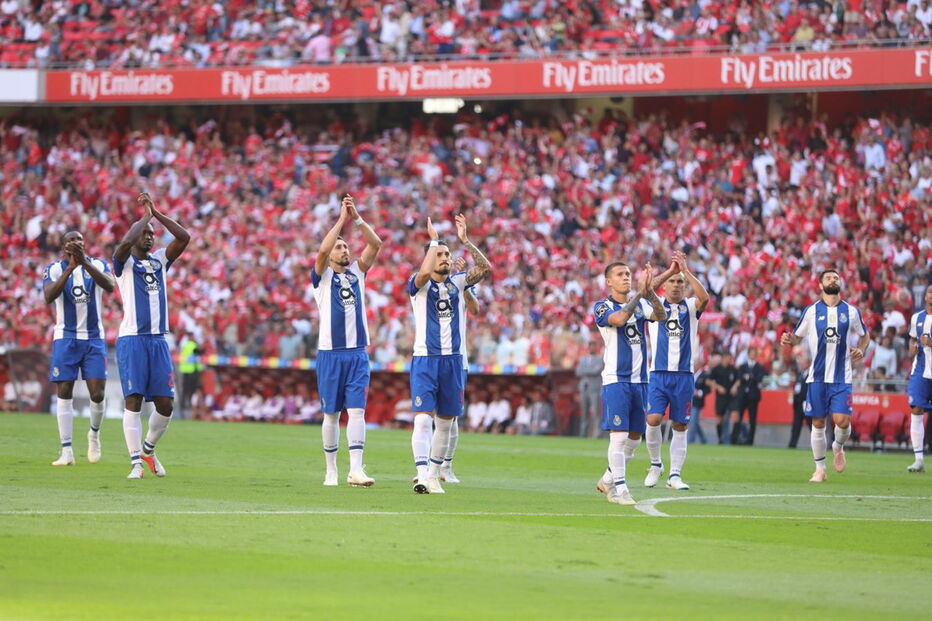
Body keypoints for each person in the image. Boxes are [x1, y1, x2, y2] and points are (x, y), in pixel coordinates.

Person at [409, 214, 491, 494]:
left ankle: (434, 474)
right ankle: (421, 474)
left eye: (447, 254)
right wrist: (434, 242)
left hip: (454, 362)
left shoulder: (458, 283)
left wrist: (465, 241)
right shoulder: (418, 286)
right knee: (422, 418)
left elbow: (485, 268)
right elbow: (421, 274)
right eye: (439, 254)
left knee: (445, 422)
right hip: (425, 359)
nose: (444, 258)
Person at [113, 192, 190, 479]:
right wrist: (143, 218)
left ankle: (148, 449)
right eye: (144, 233)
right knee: (133, 399)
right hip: (132, 339)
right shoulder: (123, 264)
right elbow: (123, 244)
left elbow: (184, 238)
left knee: (166, 404)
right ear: (134, 237)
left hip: (158, 341)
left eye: (152, 234)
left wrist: (155, 214)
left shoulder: (159, 261)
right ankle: (135, 462)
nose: (149, 236)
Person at [311, 194, 382, 487]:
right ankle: (331, 470)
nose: (345, 250)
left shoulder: (357, 273)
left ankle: (355, 470)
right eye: (340, 247)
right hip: (330, 353)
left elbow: (376, 244)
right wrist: (340, 220)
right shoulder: (322, 277)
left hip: (357, 354)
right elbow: (322, 249)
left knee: (357, 411)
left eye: (346, 246)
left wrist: (357, 219)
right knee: (331, 415)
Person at [781, 269, 870, 482]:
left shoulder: (851, 311)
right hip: (817, 377)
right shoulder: (811, 311)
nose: (833, 279)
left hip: (842, 376)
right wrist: (788, 338)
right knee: (818, 423)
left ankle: (838, 447)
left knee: (842, 420)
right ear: (820, 285)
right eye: (829, 277)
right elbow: (797, 336)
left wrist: (862, 348)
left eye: (836, 277)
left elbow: (865, 335)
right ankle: (820, 469)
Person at [592, 262, 667, 505]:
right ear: (609, 282)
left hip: (640, 380)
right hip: (616, 380)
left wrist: (651, 293)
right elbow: (621, 319)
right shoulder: (602, 307)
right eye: (620, 275)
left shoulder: (642, 303)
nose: (626, 278)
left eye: (628, 274)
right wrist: (639, 294)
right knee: (619, 436)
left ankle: (607, 479)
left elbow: (661, 316)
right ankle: (620, 489)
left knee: (635, 438)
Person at [43, 230, 115, 466]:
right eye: (71, 240)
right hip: (66, 337)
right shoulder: (54, 268)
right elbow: (49, 296)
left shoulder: (98, 264)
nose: (76, 243)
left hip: (94, 337)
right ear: (64, 246)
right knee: (64, 390)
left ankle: (94, 434)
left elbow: (110, 285)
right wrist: (70, 268)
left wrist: (83, 263)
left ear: (85, 244)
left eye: (79, 240)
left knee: (98, 393)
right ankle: (67, 451)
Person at [643, 251, 710, 490]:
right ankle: (655, 464)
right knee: (653, 419)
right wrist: (671, 271)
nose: (676, 285)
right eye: (673, 281)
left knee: (680, 425)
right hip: (658, 374)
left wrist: (686, 271)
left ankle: (675, 475)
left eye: (680, 282)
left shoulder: (691, 307)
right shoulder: (655, 306)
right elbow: (646, 289)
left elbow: (705, 297)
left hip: (684, 376)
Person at [906, 284, 932, 473]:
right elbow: (912, 340)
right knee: (916, 409)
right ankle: (918, 459)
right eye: (930, 292)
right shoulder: (917, 318)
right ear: (925, 296)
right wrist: (912, 347)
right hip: (920, 371)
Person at [734, 347, 765, 445]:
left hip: (753, 396)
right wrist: (749, 377)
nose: (753, 355)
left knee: (752, 419)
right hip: (743, 396)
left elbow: (759, 378)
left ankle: (750, 440)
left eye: (754, 353)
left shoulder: (759, 366)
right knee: (739, 417)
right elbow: (740, 377)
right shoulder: (743, 366)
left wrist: (749, 377)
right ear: (748, 354)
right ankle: (736, 438)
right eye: (751, 353)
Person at [708, 352, 741, 444]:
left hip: (731, 396)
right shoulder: (716, 369)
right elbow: (708, 381)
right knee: (719, 418)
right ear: (723, 358)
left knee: (735, 415)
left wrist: (735, 386)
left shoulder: (733, 369)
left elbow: (739, 380)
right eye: (728, 358)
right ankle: (720, 439)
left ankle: (734, 439)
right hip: (721, 396)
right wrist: (718, 387)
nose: (729, 360)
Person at [575, 341, 604, 438]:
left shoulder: (599, 359)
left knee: (596, 412)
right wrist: (590, 370)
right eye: (591, 346)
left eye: (594, 346)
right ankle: (583, 433)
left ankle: (598, 433)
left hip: (594, 388)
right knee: (584, 412)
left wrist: (585, 370)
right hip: (584, 388)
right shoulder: (583, 359)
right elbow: (578, 371)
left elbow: (597, 371)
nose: (592, 348)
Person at [178, 332, 203, 419]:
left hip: (185, 370)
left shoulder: (184, 345)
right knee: (194, 391)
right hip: (193, 371)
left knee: (185, 392)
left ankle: (184, 408)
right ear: (191, 337)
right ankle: (193, 410)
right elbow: (199, 356)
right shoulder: (193, 345)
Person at [788, 356, 811, 449]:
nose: (801, 364)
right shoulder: (799, 374)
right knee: (796, 426)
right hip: (798, 403)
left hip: (807, 404)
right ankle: (792, 445)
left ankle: (816, 445)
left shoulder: (811, 374)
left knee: (811, 425)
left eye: (803, 363)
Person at [689, 361, 711, 445]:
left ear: (699, 365)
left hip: (697, 402)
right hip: (689, 401)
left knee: (693, 422)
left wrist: (699, 392)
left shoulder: (704, 375)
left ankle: (690, 441)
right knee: (694, 422)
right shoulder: (690, 374)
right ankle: (704, 440)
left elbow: (708, 389)